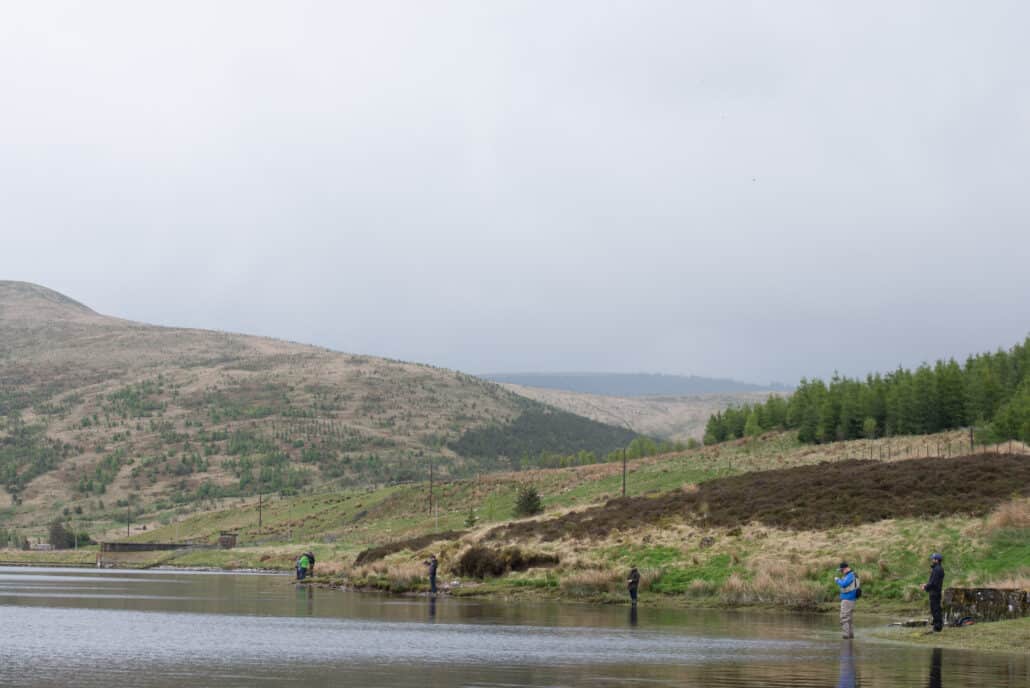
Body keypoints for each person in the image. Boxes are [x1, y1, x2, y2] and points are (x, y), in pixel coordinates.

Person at [921, 553, 945, 632]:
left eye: (933, 559)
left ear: (937, 560)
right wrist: (927, 585)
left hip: (935, 592)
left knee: (935, 609)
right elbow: (933, 582)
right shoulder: (937, 569)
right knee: (935, 608)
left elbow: (934, 583)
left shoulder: (937, 569)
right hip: (935, 591)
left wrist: (925, 587)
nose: (932, 560)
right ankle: (936, 624)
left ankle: (937, 626)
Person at [834, 561, 858, 639]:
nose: (841, 572)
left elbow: (843, 584)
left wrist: (837, 580)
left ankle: (846, 636)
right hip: (850, 599)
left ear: (846, 569)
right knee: (849, 618)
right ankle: (850, 636)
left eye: (842, 570)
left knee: (844, 617)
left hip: (848, 600)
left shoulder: (850, 575)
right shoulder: (851, 575)